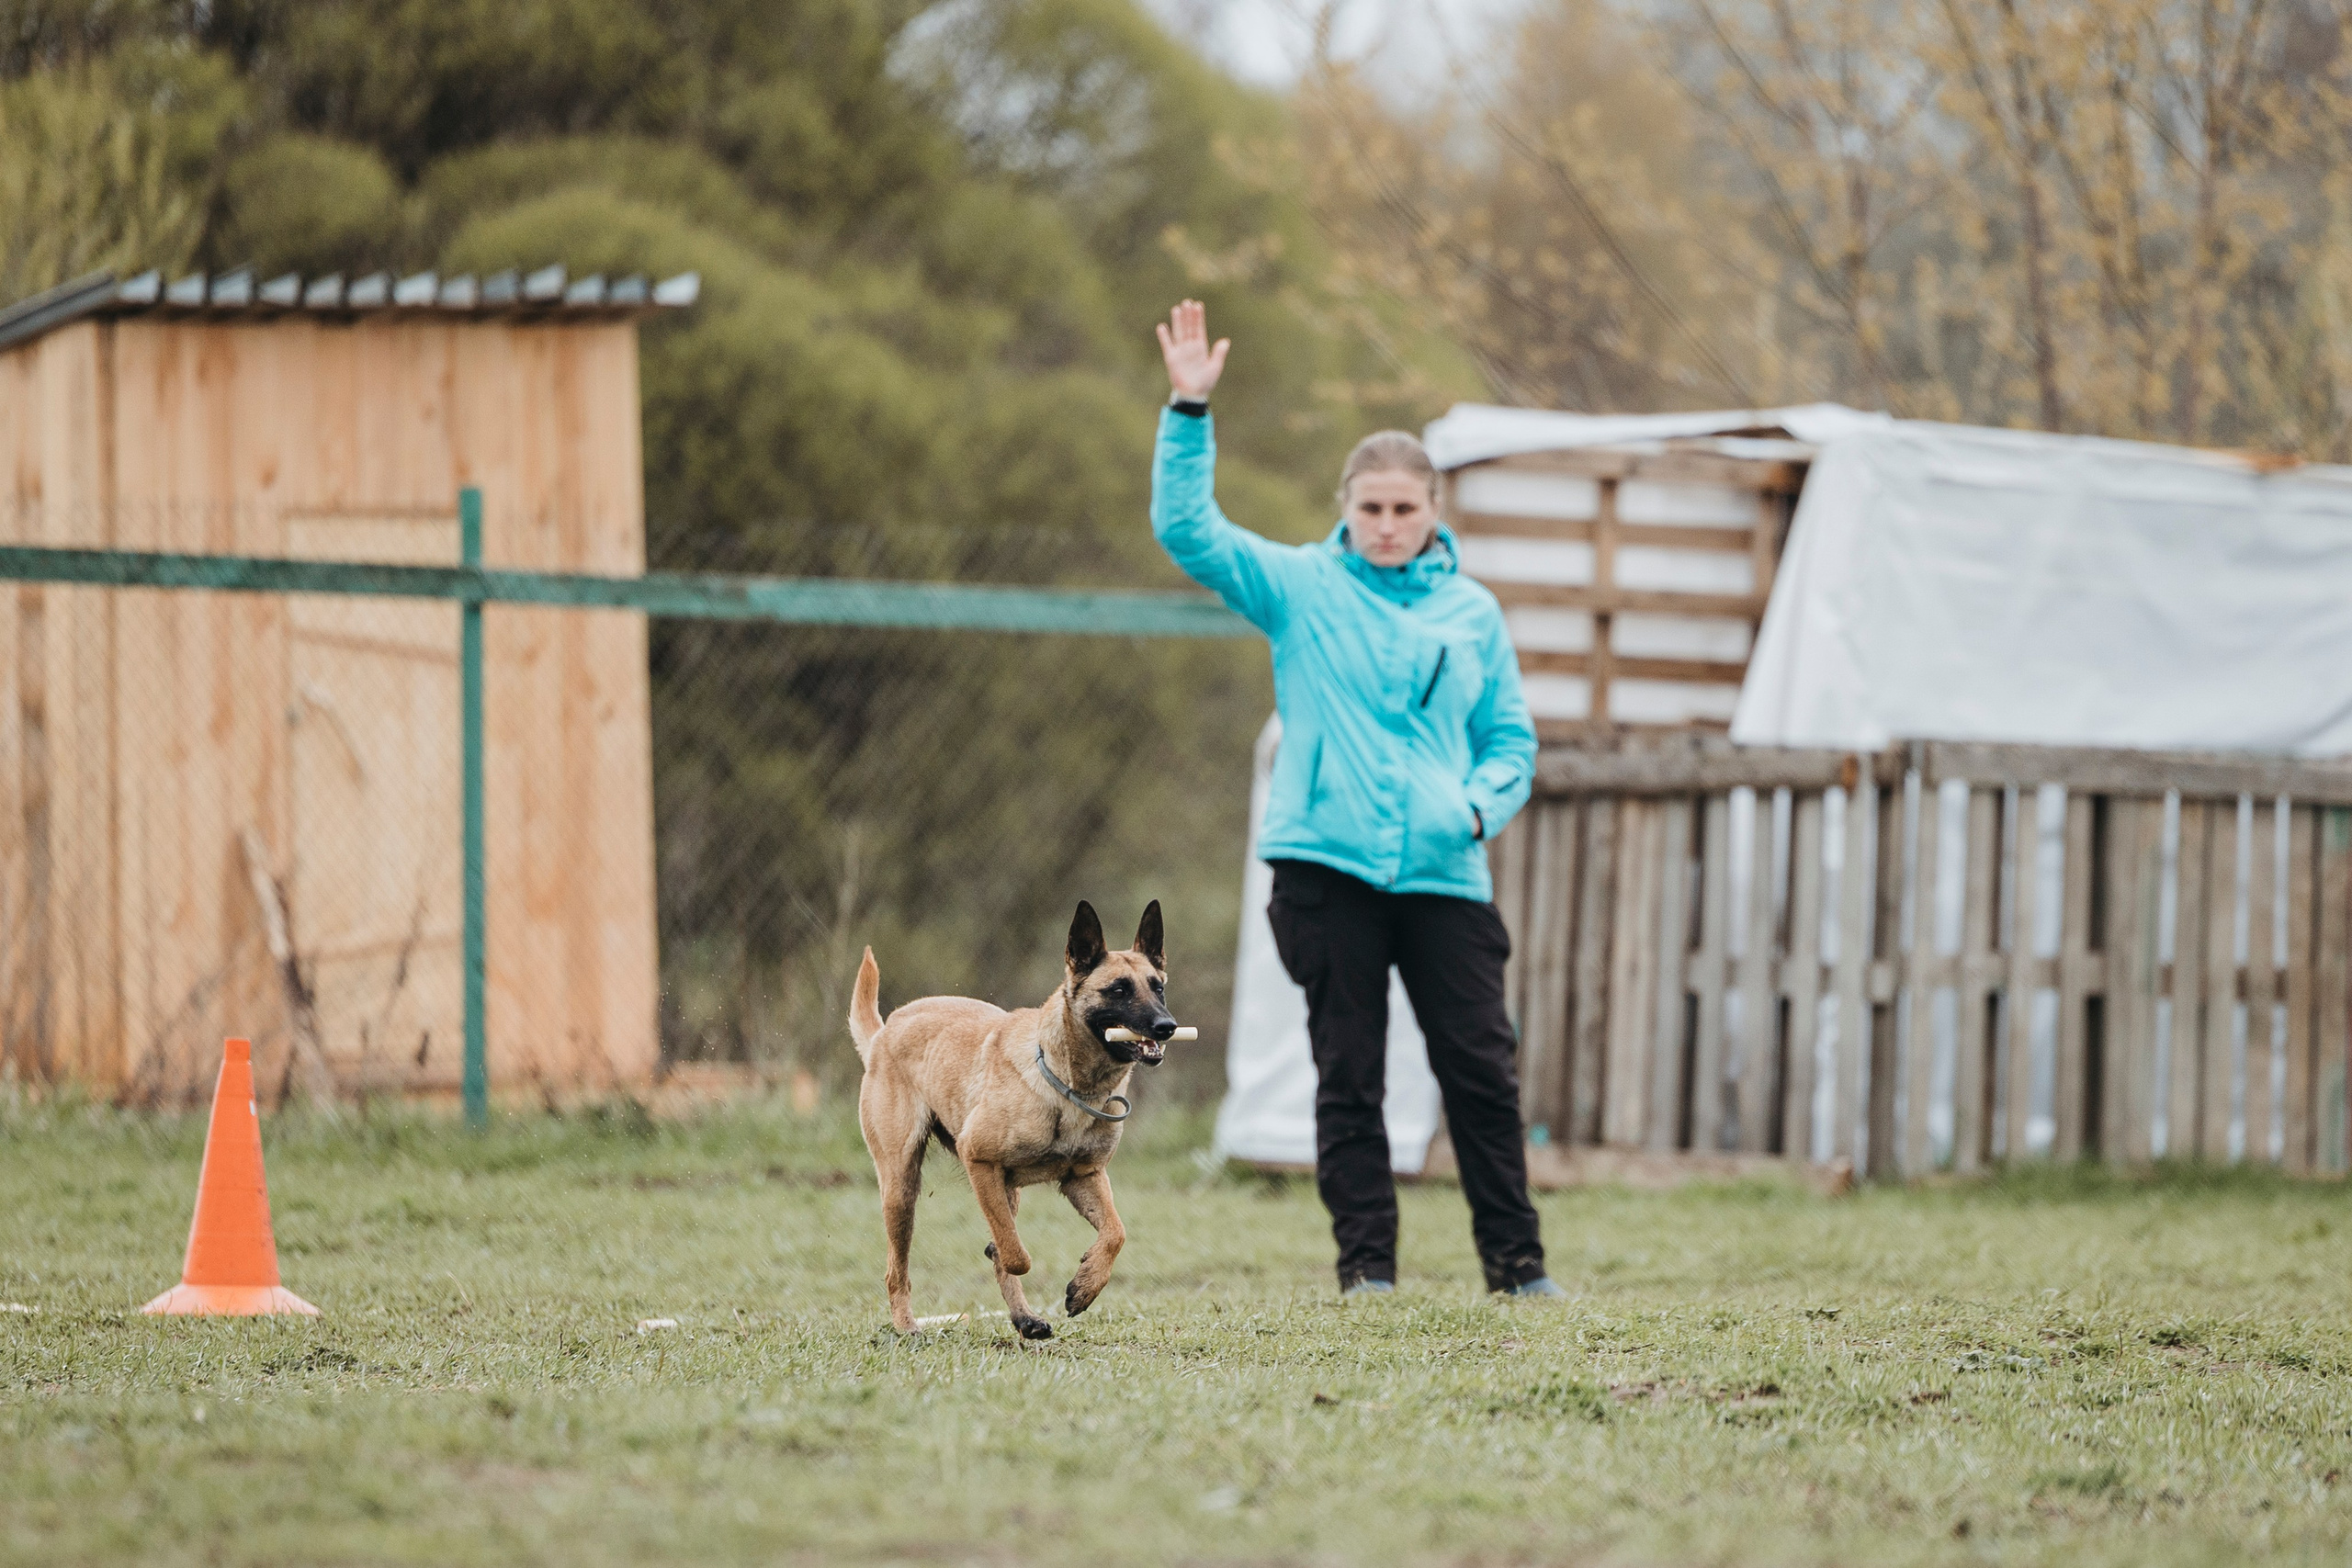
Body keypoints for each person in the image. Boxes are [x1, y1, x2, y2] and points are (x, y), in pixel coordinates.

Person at [1150, 299, 1563, 1300]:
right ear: (1346, 508)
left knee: (1481, 1073)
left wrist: (1475, 810)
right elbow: (1189, 531)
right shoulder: (1299, 586)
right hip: (1325, 868)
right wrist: (1189, 411)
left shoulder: (1472, 614)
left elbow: (1511, 741)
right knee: (1350, 1073)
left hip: (1443, 871)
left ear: (1433, 513)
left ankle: (1518, 1270)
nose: (1385, 526)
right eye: (1370, 508)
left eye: (1403, 509)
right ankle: (1367, 1272)